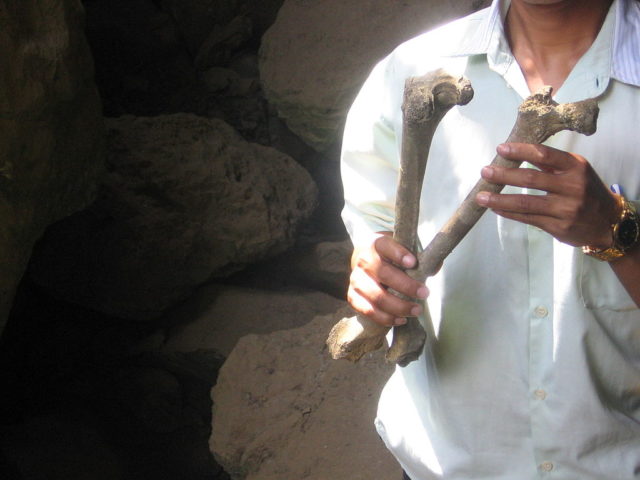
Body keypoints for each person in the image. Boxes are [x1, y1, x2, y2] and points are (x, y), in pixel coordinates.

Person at [340, 0, 640, 478]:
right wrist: (372, 272)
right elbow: (370, 226)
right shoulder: (410, 69)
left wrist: (618, 231)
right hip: (447, 464)